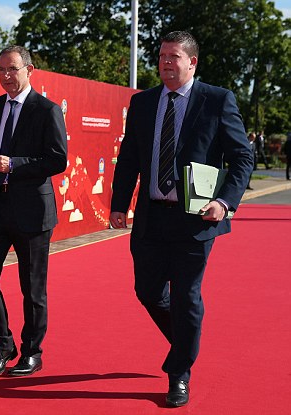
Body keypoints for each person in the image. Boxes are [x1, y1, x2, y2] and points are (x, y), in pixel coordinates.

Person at [110, 31, 252, 407]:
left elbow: (242, 158)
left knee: (187, 298)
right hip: (151, 219)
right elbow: (128, 160)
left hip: (196, 220)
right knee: (148, 292)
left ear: (192, 62)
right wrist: (118, 204)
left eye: (174, 57)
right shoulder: (142, 103)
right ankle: (187, 341)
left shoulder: (217, 100)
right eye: (161, 57)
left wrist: (225, 201)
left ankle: (179, 374)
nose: (165, 63)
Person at [0, 45, 67, 378]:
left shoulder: (47, 110)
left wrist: (14, 164)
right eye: (0, 70)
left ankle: (32, 352)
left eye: (12, 69)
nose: (6, 76)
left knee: (32, 287)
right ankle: (3, 344)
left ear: (30, 70)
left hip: (32, 211)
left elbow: (57, 160)